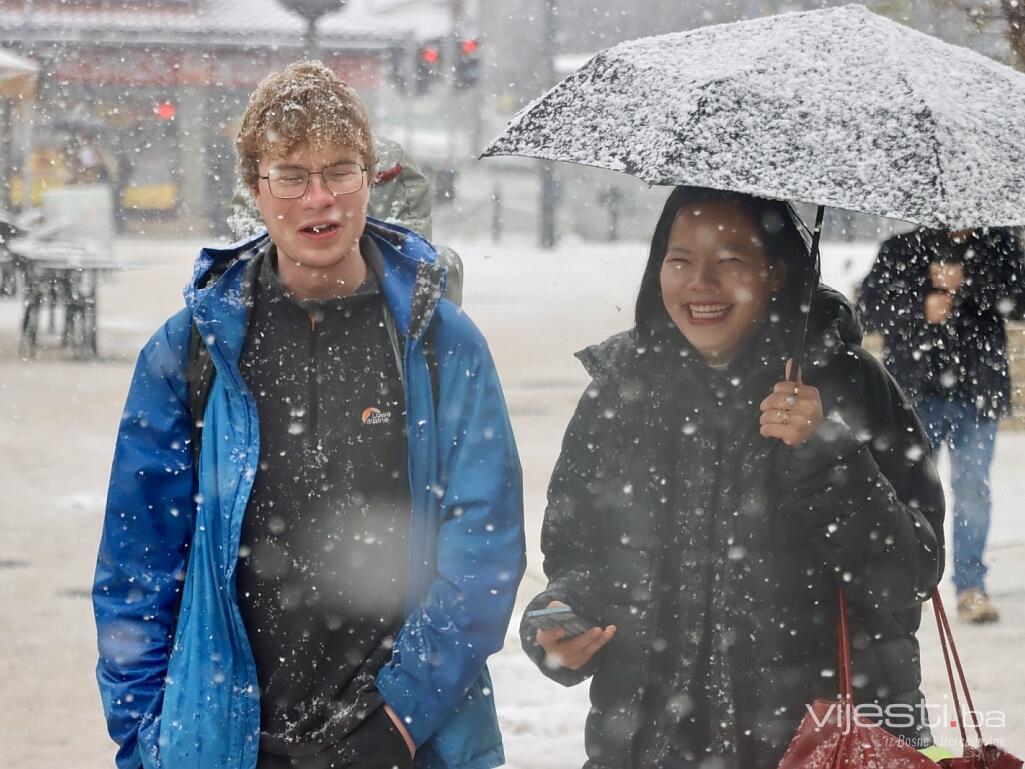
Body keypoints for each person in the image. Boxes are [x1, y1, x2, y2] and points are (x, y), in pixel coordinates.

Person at [93, 60, 525, 769]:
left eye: (340, 169)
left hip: (407, 742)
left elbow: (483, 547)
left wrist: (401, 719)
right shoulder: (189, 350)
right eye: (290, 174)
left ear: (370, 177)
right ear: (256, 188)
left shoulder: (441, 342)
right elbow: (136, 566)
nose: (317, 197)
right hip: (228, 740)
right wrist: (146, 737)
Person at [521, 187, 945, 769]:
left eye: (729, 261)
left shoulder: (851, 385)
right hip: (652, 748)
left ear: (773, 273)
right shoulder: (620, 392)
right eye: (680, 260)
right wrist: (559, 624)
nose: (700, 282)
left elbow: (908, 575)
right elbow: (579, 556)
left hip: (820, 747)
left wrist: (827, 454)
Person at [859, 226, 1025, 623]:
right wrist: (921, 307)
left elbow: (1019, 304)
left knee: (972, 492)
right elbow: (868, 310)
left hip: (977, 393)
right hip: (913, 396)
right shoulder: (899, 248)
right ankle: (906, 584)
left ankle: (970, 587)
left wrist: (967, 285)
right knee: (908, 491)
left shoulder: (998, 246)